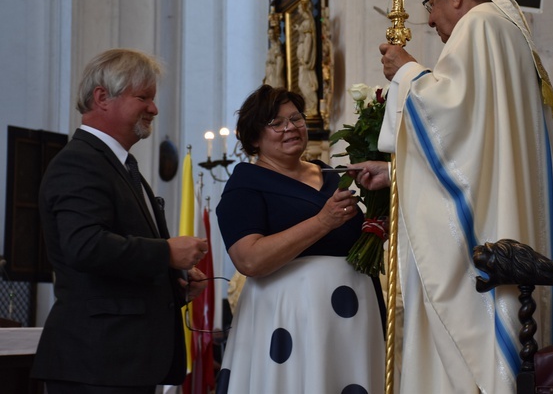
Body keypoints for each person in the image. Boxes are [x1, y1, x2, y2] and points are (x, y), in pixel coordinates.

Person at [351, 0, 553, 392]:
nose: (430, 20)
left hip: (495, 254)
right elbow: (482, 153)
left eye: (430, 3)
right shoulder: (511, 32)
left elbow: (448, 117)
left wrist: (407, 73)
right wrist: (394, 173)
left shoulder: (478, 28)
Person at [31, 48, 209, 393]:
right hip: (96, 364)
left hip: (122, 361)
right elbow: (85, 246)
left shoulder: (120, 165)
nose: (154, 109)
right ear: (102, 98)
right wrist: (166, 254)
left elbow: (118, 263)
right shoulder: (80, 162)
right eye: (143, 97)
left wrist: (174, 284)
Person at [214, 84, 385, 394]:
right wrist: (322, 222)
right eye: (276, 123)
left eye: (296, 119)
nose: (291, 128)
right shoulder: (245, 185)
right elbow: (249, 259)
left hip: (351, 320)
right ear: (254, 137)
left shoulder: (332, 175)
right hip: (290, 319)